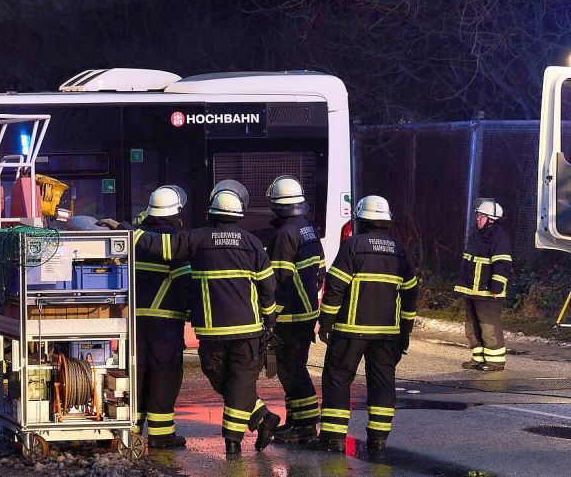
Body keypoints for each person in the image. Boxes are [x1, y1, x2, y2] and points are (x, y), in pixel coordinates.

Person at [103, 181, 280, 455]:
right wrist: (270, 321)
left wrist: (127, 231)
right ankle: (254, 421)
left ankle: (133, 431)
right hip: (224, 329)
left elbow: (160, 247)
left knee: (138, 374)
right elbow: (267, 287)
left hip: (143, 324)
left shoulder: (195, 239)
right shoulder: (253, 243)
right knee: (175, 376)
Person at [312, 195, 418, 463]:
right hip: (387, 334)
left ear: (361, 219)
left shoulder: (353, 246)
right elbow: (409, 293)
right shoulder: (399, 250)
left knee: (338, 378)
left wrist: (326, 322)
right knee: (383, 384)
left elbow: (335, 286)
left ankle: (334, 439)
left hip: (350, 331)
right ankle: (379, 440)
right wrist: (405, 330)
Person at [131, 186, 193, 448]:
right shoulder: (175, 244)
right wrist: (192, 313)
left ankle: (131, 429)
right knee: (164, 375)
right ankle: (161, 434)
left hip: (132, 320)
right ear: (176, 213)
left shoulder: (136, 238)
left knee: (136, 373)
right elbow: (184, 285)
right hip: (165, 322)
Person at [264, 176, 325, 444]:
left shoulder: (283, 235)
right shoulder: (308, 230)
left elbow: (278, 281)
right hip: (306, 312)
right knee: (294, 368)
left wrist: (270, 317)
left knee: (292, 372)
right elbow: (320, 272)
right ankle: (297, 423)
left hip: (289, 317)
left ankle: (305, 427)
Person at [453, 199, 512, 371]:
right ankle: (478, 358)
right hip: (473, 291)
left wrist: (496, 288)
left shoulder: (499, 237)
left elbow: (503, 265)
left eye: (481, 216)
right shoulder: (476, 235)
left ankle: (495, 361)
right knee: (472, 327)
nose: (478, 218)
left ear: (491, 219)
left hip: (488, 293)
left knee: (489, 327)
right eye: (478, 215)